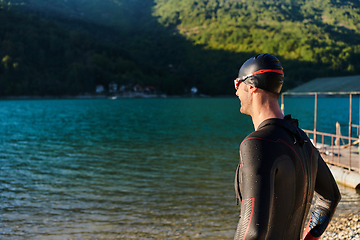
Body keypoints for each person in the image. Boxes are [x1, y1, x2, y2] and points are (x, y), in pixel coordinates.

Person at [233, 53, 341, 240]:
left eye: (237, 84)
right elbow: (330, 197)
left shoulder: (256, 144)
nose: (235, 92)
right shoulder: (302, 140)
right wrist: (309, 237)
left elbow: (252, 231)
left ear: (251, 86)